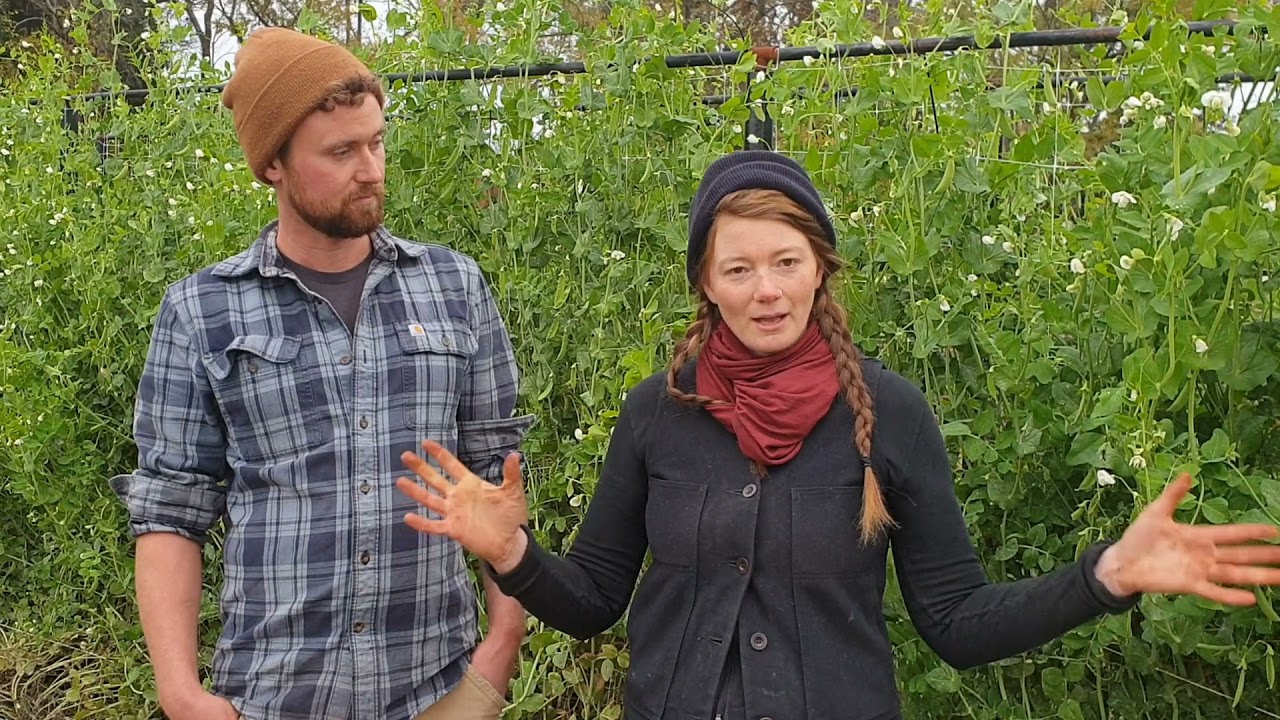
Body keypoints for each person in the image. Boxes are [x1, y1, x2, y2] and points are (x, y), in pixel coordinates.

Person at [394, 150, 1280, 720]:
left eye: (786, 262)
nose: (766, 290)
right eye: (738, 268)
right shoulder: (655, 413)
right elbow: (590, 602)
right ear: (706, 282)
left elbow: (957, 624)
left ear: (821, 268)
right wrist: (512, 553)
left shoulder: (887, 413)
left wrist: (1108, 575)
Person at [110, 27, 534, 720]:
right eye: (341, 152)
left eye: (376, 142)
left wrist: (503, 644)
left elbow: (501, 473)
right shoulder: (202, 311)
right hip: (274, 696)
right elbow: (171, 510)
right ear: (273, 163)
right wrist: (182, 693)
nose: (371, 168)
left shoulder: (454, 288)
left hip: (441, 687)